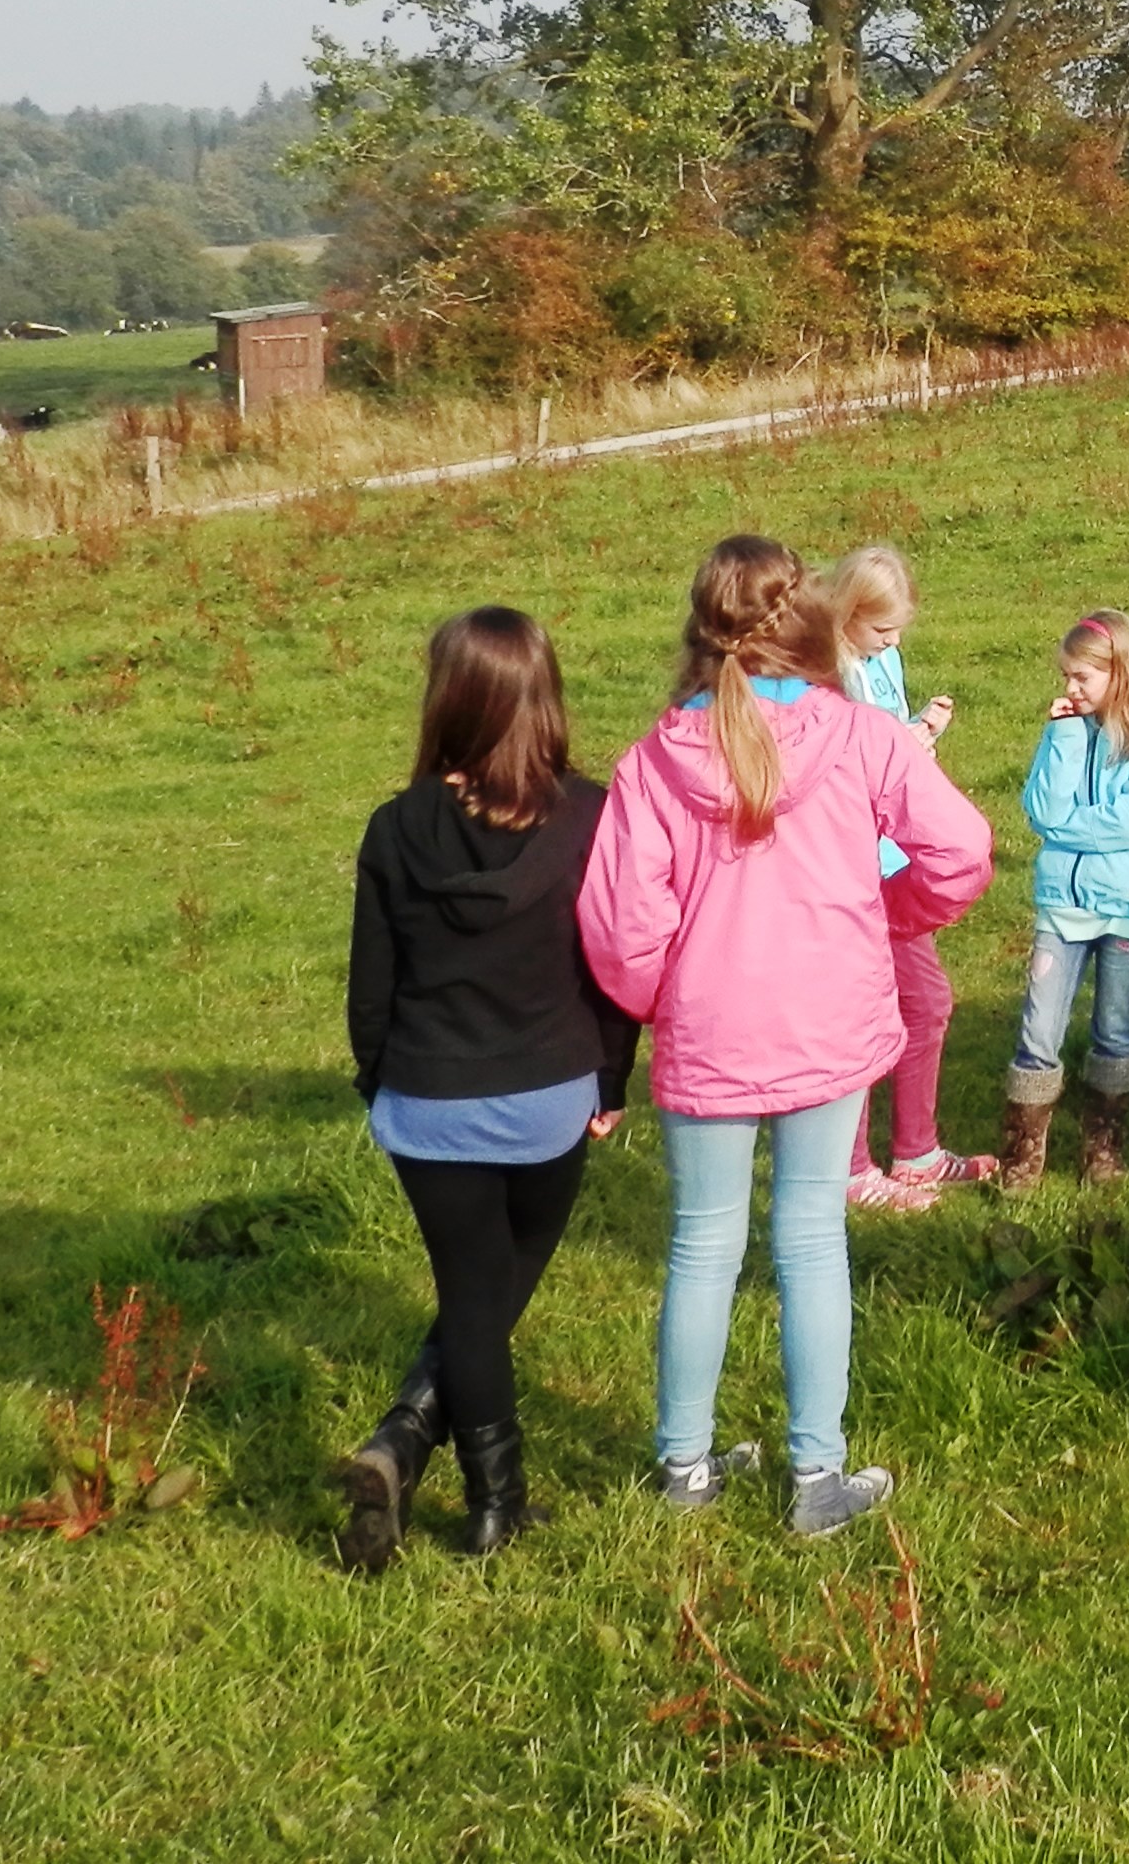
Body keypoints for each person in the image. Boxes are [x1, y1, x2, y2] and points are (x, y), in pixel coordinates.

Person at [580, 536, 992, 1539]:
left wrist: (661, 996)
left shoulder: (651, 761)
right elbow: (962, 848)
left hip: (706, 1032)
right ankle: (817, 1480)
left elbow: (617, 922)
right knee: (810, 1242)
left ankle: (684, 1467)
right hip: (828, 1019)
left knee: (699, 1246)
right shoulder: (862, 737)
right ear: (808, 623)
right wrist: (892, 914)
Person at [335, 606, 637, 1571]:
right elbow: (613, 966)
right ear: (544, 701)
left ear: (445, 701)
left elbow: (369, 987)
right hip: (550, 1096)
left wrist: (379, 1084)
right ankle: (492, 1507)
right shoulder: (591, 816)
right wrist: (612, 1077)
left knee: (471, 1294)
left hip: (424, 1101)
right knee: (489, 1297)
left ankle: (409, 1444)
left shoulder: (392, 828)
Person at [998, 609, 1129, 1189]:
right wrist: (1058, 737)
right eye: (1066, 676)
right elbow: (1038, 808)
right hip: (1061, 906)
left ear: (1120, 673)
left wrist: (1063, 827)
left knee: (1114, 1028)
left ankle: (1102, 1151)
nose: (1070, 689)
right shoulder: (1064, 730)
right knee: (1038, 1034)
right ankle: (1022, 1156)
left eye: (1082, 678)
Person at [822, 547, 990, 1213]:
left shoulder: (880, 661)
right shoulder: (827, 675)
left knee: (924, 1003)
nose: (892, 643)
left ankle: (915, 1152)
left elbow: (885, 744)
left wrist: (918, 734)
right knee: (867, 1013)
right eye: (881, 631)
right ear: (847, 614)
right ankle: (853, 1167)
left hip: (896, 860)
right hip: (853, 865)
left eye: (898, 632)